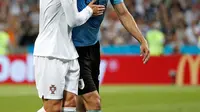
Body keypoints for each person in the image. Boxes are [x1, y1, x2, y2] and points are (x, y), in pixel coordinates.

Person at [72, 0, 150, 112]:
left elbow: (123, 13)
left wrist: (142, 40)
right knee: (94, 101)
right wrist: (88, 11)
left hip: (93, 48)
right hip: (73, 49)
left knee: (82, 100)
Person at [34, 0, 105, 112]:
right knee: (53, 107)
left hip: (69, 52)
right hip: (51, 53)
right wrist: (90, 10)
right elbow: (73, 20)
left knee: (70, 102)